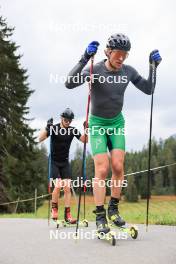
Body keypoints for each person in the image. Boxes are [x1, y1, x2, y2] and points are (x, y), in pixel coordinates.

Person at [65, 34, 162, 233]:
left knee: (118, 166)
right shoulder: (95, 69)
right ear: (108, 52)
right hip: (98, 123)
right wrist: (84, 57)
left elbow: (149, 89)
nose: (121, 59)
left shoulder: (127, 71)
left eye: (125, 55)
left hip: (117, 123)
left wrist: (153, 68)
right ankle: (100, 215)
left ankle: (113, 209)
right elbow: (69, 83)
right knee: (102, 169)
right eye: (118, 54)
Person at [39, 108, 87, 223]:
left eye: (70, 120)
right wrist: (47, 128)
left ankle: (67, 215)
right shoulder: (54, 128)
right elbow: (40, 138)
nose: (68, 122)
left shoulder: (72, 130)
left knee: (67, 188)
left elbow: (85, 140)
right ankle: (54, 209)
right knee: (58, 185)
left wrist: (86, 130)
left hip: (64, 162)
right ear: (61, 118)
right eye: (66, 119)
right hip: (54, 161)